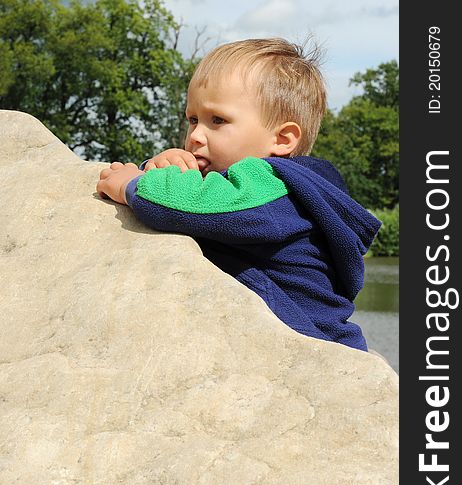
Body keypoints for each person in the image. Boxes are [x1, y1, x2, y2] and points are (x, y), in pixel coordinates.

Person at [97, 38, 381, 351]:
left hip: (315, 348)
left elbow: (193, 206)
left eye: (217, 120)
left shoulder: (275, 186)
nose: (195, 136)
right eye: (193, 119)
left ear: (282, 139)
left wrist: (132, 184)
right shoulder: (244, 188)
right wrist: (161, 166)